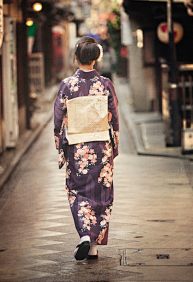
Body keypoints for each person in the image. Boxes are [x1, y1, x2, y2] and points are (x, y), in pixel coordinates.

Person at [54, 36, 119, 261]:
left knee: (77, 191)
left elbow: (58, 117)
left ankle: (84, 235)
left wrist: (60, 145)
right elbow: (115, 118)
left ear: (76, 57)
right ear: (96, 59)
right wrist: (114, 146)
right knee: (102, 193)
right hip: (101, 147)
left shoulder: (67, 85)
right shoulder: (105, 84)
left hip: (77, 148)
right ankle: (93, 246)